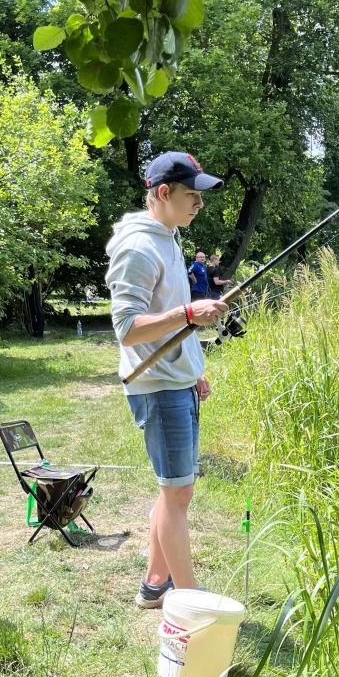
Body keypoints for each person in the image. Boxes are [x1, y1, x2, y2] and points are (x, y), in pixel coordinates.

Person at [105, 151, 228, 608]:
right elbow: (128, 327)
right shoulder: (139, 247)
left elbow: (171, 321)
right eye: (192, 195)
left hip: (176, 381)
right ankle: (191, 605)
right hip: (156, 388)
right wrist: (190, 313)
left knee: (174, 491)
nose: (199, 204)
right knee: (178, 494)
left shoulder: (168, 238)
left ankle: (156, 584)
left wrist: (192, 370)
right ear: (163, 192)